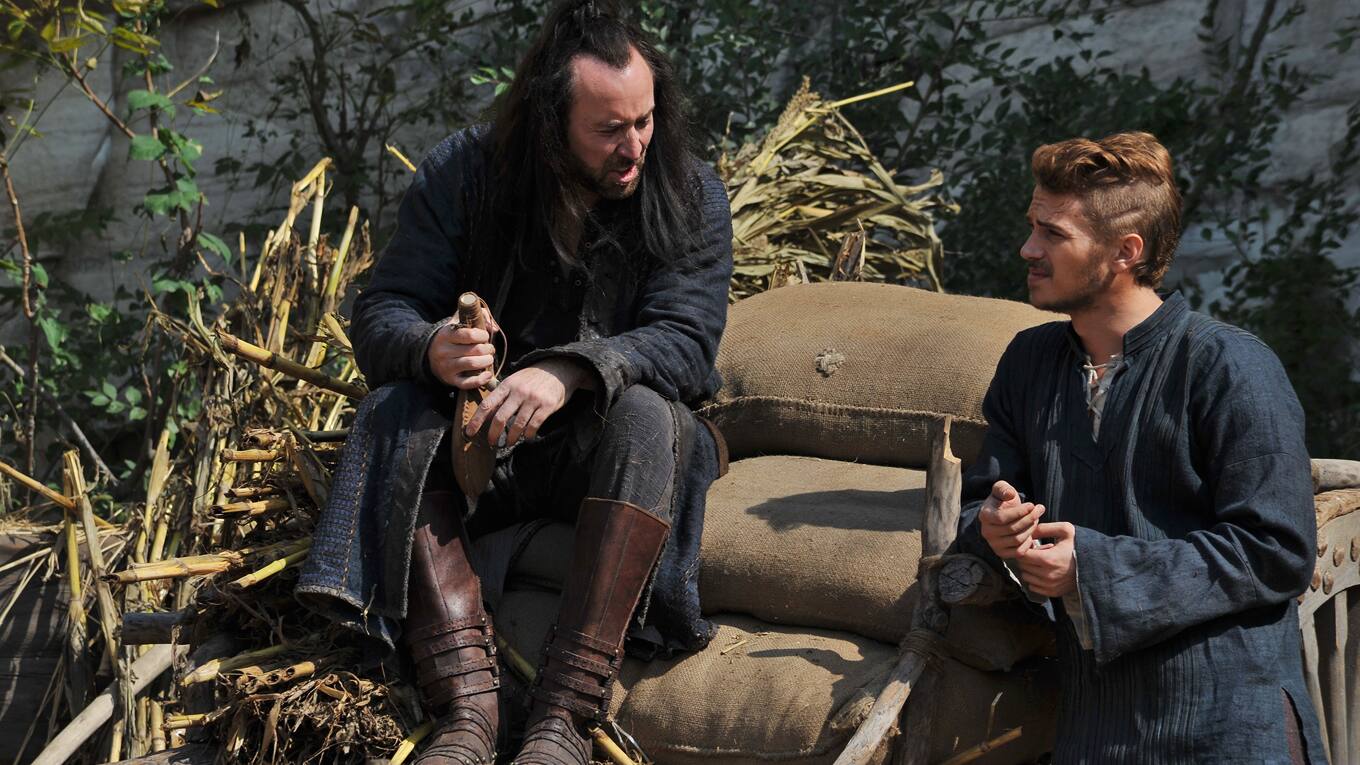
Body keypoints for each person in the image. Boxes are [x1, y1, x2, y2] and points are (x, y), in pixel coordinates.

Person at [295, 2, 733, 763]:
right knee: (393, 409)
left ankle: (564, 718)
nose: (633, 146)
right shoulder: (464, 173)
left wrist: (571, 371)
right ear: (550, 122)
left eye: (644, 121)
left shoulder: (690, 191)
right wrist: (432, 347)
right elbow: (383, 310)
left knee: (651, 414)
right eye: (609, 129)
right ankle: (465, 712)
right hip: (481, 456)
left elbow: (687, 342)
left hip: (607, 459)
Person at [955, 131, 1324, 763]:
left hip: (1227, 724)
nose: (1029, 248)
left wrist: (1090, 568)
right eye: (1032, 227)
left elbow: (1277, 550)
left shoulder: (1229, 364)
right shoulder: (1029, 363)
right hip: (1092, 728)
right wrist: (995, 529)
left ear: (1125, 251)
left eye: (1053, 233)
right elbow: (975, 505)